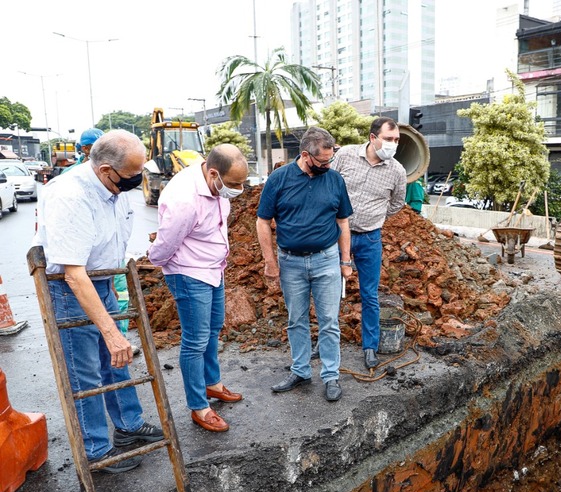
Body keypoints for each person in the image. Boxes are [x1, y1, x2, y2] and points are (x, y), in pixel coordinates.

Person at [32, 130, 164, 473]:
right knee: (86, 373)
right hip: (70, 290)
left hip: (103, 282)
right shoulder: (70, 196)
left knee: (116, 361)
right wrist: (110, 329)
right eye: (131, 175)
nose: (137, 180)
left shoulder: (114, 188)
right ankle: (96, 450)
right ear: (105, 169)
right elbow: (74, 274)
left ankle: (129, 426)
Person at [147, 144, 248, 432]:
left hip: (214, 269)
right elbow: (164, 245)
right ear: (214, 173)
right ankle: (199, 406)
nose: (238, 190)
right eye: (233, 184)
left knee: (214, 327)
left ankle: (212, 384)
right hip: (190, 273)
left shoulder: (214, 184)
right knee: (195, 340)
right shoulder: (184, 200)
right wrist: (166, 264)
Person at [257, 127, 353, 402]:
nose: (327, 165)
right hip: (291, 263)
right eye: (322, 161)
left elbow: (343, 222)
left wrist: (345, 261)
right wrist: (269, 262)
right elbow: (263, 221)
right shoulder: (279, 179)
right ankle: (300, 370)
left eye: (330, 159)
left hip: (326, 260)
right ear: (305, 155)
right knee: (296, 319)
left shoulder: (335, 180)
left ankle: (331, 374)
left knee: (329, 321)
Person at [332, 117, 407, 369]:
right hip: (334, 235)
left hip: (370, 238)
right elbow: (328, 182)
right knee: (328, 292)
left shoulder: (397, 171)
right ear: (373, 138)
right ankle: (327, 344)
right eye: (388, 139)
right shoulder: (345, 155)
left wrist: (375, 216)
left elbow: (397, 204)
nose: (393, 144)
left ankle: (370, 347)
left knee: (369, 294)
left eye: (396, 140)